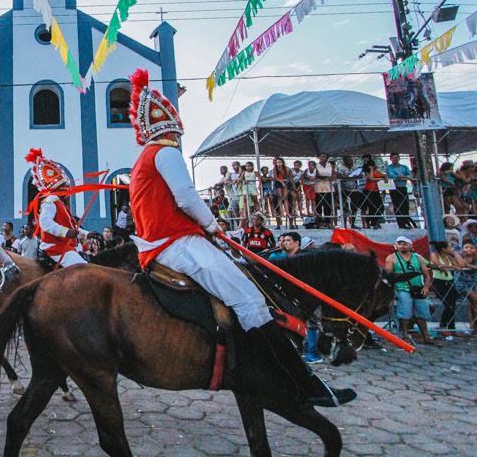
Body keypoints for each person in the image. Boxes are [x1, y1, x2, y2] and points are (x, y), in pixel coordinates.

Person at [125, 68, 353, 408]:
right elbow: (186, 197)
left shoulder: (142, 160)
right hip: (177, 243)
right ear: (171, 130)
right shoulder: (165, 152)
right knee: (250, 301)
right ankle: (297, 381)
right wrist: (213, 226)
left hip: (165, 245)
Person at [25, 148, 87, 268]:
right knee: (83, 269)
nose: (68, 189)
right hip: (55, 248)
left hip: (66, 246)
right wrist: (66, 232)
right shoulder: (50, 201)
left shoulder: (60, 203)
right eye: (64, 186)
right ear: (58, 188)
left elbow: (72, 228)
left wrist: (86, 234)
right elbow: (45, 222)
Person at [384, 236, 437, 346]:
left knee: (421, 312)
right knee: (405, 312)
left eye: (404, 244)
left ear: (410, 245)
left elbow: (426, 275)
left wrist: (426, 287)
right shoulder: (391, 258)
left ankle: (425, 336)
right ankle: (405, 335)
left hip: (418, 287)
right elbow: (388, 275)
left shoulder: (417, 257)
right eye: (399, 244)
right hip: (401, 288)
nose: (402, 246)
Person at [429, 242, 464, 335]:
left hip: (449, 282)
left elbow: (461, 264)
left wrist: (455, 253)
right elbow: (438, 265)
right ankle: (443, 326)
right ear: (444, 248)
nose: (451, 248)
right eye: (449, 247)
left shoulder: (449, 257)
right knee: (448, 304)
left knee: (452, 305)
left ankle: (452, 328)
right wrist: (453, 267)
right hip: (439, 282)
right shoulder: (434, 255)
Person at [386, 153, 415, 229]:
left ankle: (406, 221)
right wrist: (402, 176)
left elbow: (410, 175)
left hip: (402, 187)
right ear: (391, 159)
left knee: (405, 205)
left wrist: (403, 177)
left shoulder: (404, 167)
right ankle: (401, 223)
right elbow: (391, 175)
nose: (395, 159)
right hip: (394, 188)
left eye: (396, 157)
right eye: (393, 158)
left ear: (399, 158)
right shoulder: (389, 167)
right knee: (397, 205)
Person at [336, 156, 362, 229]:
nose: (351, 161)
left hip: (354, 189)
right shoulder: (341, 168)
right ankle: (344, 225)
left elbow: (360, 176)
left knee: (354, 207)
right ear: (345, 161)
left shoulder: (354, 168)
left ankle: (352, 224)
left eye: (351, 160)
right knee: (345, 208)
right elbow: (340, 176)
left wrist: (356, 175)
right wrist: (350, 177)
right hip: (344, 190)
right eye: (349, 160)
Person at [313, 153, 335, 228]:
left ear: (327, 158)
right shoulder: (316, 165)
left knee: (328, 206)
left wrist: (331, 178)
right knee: (319, 205)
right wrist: (325, 177)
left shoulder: (330, 165)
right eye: (321, 157)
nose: (322, 158)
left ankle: (328, 222)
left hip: (328, 187)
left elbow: (333, 174)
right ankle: (319, 223)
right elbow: (315, 175)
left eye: (324, 157)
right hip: (318, 187)